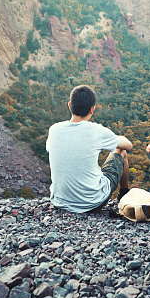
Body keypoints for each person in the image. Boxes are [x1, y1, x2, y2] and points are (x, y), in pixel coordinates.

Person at [46, 85, 132, 213]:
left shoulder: (54, 129)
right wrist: (115, 137)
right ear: (92, 109)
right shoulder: (97, 131)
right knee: (120, 151)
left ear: (70, 105)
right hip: (93, 203)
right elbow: (128, 145)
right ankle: (124, 193)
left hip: (60, 201)